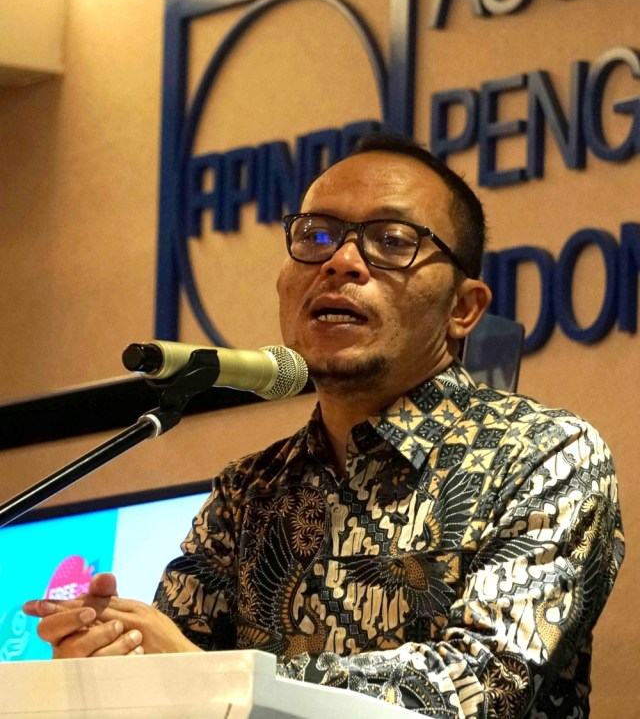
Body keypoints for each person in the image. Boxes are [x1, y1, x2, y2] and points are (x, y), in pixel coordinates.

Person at [24, 133, 624, 717]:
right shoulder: (249, 490)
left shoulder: (546, 455)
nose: (340, 262)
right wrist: (112, 652)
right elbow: (175, 681)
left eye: (392, 240)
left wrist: (221, 674)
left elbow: (481, 687)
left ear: (463, 308)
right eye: (316, 235)